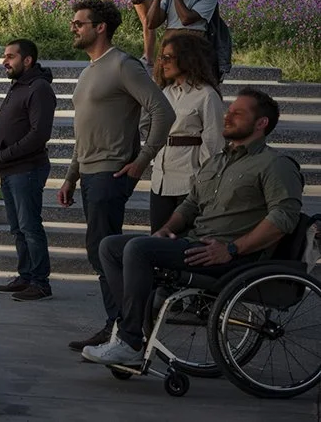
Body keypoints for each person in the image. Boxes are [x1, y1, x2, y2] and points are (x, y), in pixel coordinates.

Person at [82, 88, 306, 370]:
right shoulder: (217, 161)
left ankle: (129, 342)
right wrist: (166, 229)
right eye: (229, 111)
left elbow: (283, 218)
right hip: (196, 245)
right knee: (110, 246)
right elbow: (190, 206)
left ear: (261, 123)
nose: (228, 116)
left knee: (138, 249)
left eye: (238, 113)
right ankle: (131, 329)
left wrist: (231, 249)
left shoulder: (275, 164)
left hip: (233, 259)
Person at [58, 0, 176, 353]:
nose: (73, 28)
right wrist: (70, 176)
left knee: (103, 251)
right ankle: (121, 325)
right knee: (100, 252)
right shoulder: (87, 71)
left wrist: (141, 160)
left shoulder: (123, 65)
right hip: (90, 173)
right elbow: (85, 132)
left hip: (112, 171)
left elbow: (163, 112)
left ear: (100, 27)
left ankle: (125, 330)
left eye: (79, 23)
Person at [0, 38, 59, 299]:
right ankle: (25, 275)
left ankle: (40, 282)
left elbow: (39, 134)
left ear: (27, 60)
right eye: (5, 56)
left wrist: (5, 155)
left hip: (26, 169)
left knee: (29, 226)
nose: (4, 62)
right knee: (18, 228)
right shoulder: (19, 85)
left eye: (10, 57)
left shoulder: (38, 88)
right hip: (10, 170)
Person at [146, 31, 228, 234]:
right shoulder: (165, 92)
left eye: (168, 57)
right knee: (156, 236)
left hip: (188, 181)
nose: (162, 62)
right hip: (161, 180)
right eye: (161, 57)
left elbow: (214, 143)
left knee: (182, 239)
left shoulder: (206, 95)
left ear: (186, 58)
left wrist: (201, 178)